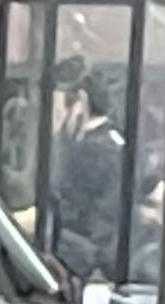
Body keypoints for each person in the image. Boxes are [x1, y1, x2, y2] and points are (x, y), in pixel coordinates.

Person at [44, 56, 132, 290]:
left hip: (87, 270)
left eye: (56, 110)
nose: (53, 122)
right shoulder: (117, 144)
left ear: (80, 102)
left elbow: (67, 220)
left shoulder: (88, 153)